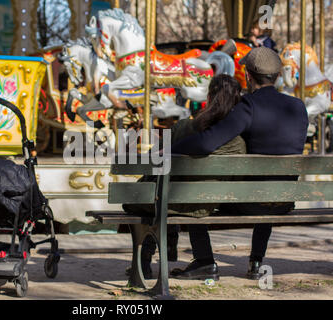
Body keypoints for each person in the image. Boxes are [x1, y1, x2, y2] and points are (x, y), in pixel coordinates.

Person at [170, 47, 308, 280]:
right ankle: (256, 262)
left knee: (194, 195)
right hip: (284, 200)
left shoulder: (248, 106)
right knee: (271, 186)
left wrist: (171, 150)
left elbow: (206, 143)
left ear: (248, 75)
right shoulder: (298, 107)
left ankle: (204, 261)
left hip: (249, 200)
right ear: (276, 76)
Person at [123, 74, 246, 279]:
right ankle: (204, 259)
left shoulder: (184, 127)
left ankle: (143, 260)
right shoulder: (239, 142)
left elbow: (153, 162)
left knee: (150, 197)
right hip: (209, 201)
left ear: (209, 96)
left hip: (171, 199)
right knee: (189, 200)